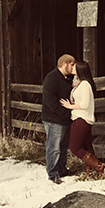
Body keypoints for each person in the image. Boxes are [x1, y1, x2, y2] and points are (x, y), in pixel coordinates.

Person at [60, 60, 105, 177]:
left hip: (82, 119)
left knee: (75, 148)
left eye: (74, 67)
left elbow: (85, 104)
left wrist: (70, 106)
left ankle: (100, 166)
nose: (72, 68)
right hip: (81, 118)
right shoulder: (80, 83)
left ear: (80, 70)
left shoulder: (85, 84)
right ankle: (89, 171)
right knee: (87, 147)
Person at [41, 54, 75, 183]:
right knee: (54, 147)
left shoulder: (66, 79)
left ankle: (61, 170)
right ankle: (53, 174)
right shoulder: (52, 78)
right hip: (53, 119)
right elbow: (50, 100)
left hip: (64, 118)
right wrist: (63, 113)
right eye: (72, 64)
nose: (73, 67)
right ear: (65, 63)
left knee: (63, 146)